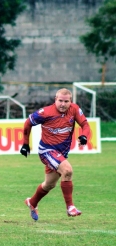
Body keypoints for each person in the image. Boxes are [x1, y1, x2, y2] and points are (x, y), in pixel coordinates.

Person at [20, 88, 91, 221]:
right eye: (60, 101)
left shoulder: (74, 109)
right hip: (46, 151)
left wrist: (84, 136)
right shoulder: (45, 112)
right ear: (55, 100)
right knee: (67, 170)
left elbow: (85, 125)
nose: (63, 104)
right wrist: (25, 144)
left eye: (66, 101)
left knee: (49, 184)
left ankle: (32, 202)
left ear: (71, 101)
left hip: (61, 153)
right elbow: (27, 123)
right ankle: (70, 207)